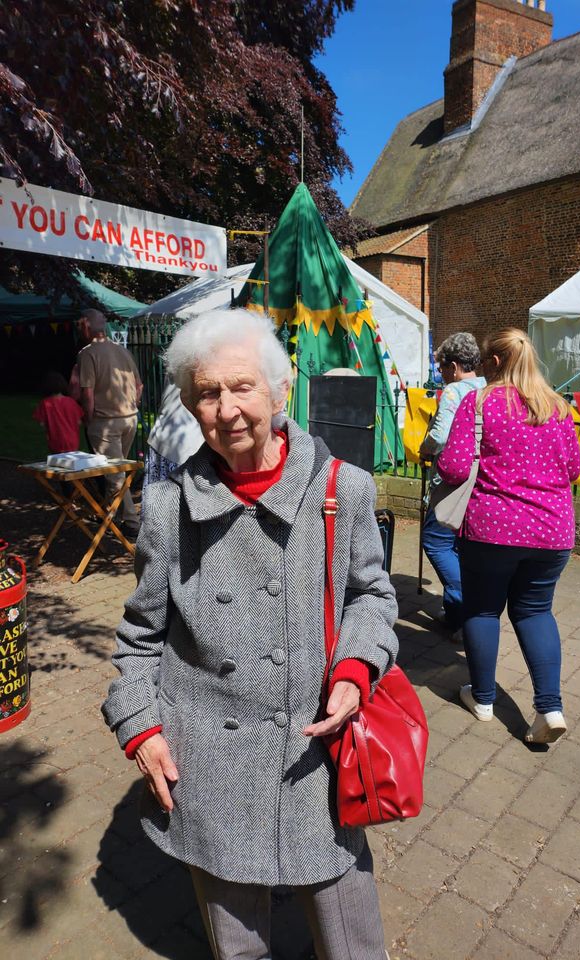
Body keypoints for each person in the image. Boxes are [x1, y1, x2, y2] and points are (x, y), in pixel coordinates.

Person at [101, 309, 398, 960]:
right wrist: (142, 729)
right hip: (211, 771)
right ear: (188, 404)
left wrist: (354, 669)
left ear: (278, 390)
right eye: (208, 392)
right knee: (238, 952)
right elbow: (139, 637)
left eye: (243, 387)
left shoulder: (342, 491)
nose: (228, 408)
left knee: (355, 948)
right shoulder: (168, 510)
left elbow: (372, 595)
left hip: (317, 766)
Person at [437, 327, 580, 744]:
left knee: (483, 610)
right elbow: (573, 469)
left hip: (492, 529)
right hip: (553, 531)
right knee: (536, 612)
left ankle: (482, 699)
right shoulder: (558, 407)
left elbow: (454, 467)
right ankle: (550, 707)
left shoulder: (478, 402)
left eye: (484, 362)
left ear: (495, 363)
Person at [419, 333, 485, 636]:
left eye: (444, 368)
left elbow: (442, 435)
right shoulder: (487, 387)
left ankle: (470, 603)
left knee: (435, 540)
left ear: (455, 366)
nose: (443, 375)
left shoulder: (454, 391)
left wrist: (425, 447)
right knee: (459, 545)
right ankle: (456, 614)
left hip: (452, 480)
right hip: (481, 479)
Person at [76, 309, 143, 532]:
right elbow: (139, 386)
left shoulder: (87, 353)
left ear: (85, 326)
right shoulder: (121, 350)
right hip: (130, 419)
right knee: (117, 469)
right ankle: (111, 517)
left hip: (106, 422)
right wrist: (132, 406)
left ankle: (132, 523)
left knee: (115, 475)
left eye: (79, 324)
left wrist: (88, 418)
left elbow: (87, 393)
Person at [32, 371, 84, 454]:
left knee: (58, 463)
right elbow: (79, 422)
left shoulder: (45, 403)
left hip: (56, 441)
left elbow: (42, 424)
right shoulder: (72, 402)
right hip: (73, 441)